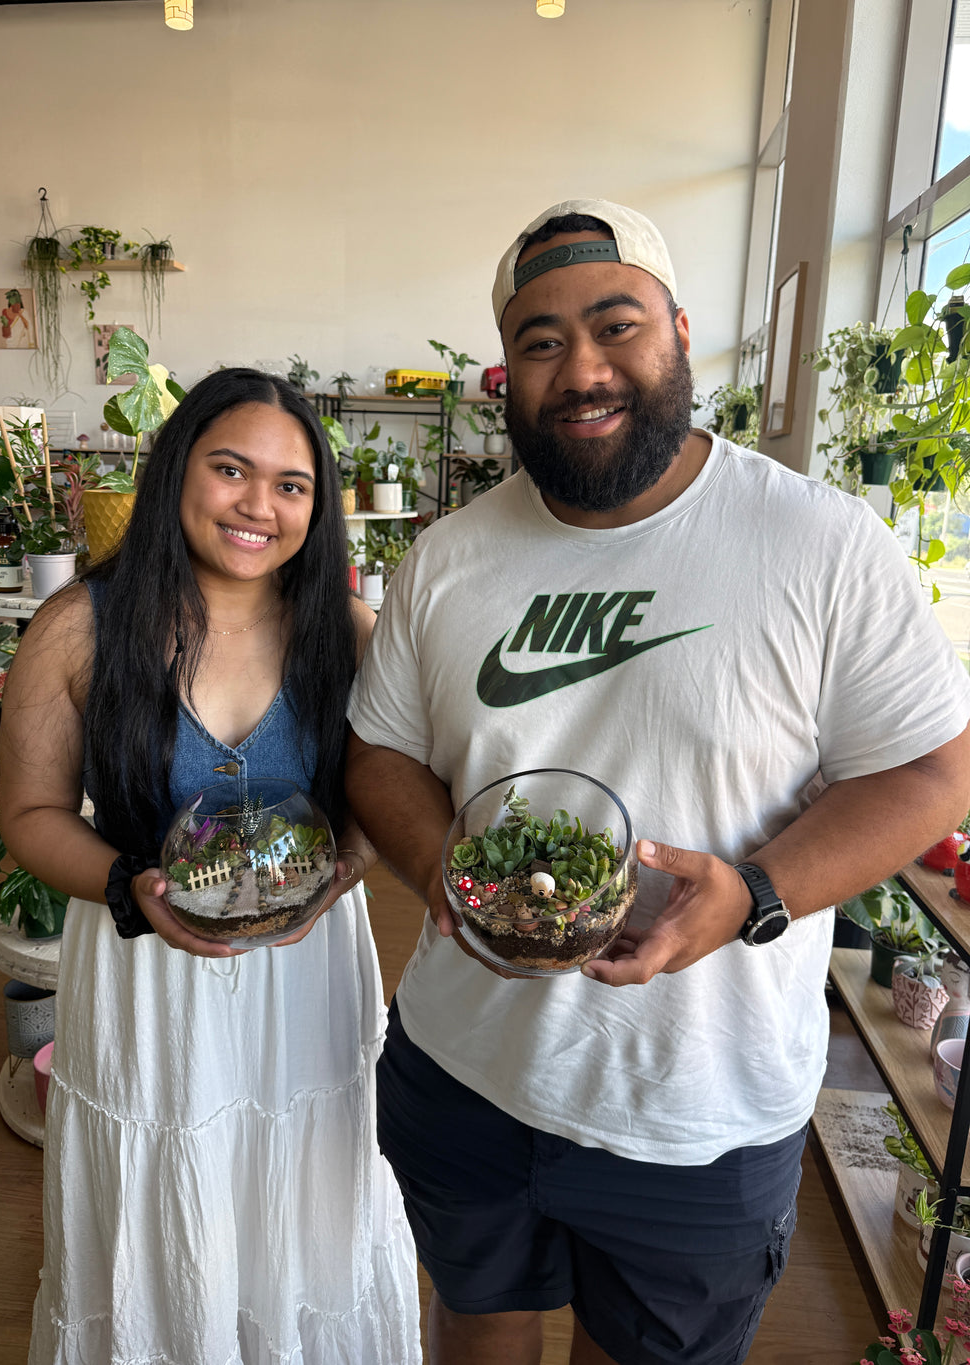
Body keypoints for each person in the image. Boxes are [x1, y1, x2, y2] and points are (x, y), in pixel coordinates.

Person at [345, 198, 970, 1365]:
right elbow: (378, 751)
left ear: (680, 333)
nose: (579, 369)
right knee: (471, 1325)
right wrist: (446, 871)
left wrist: (754, 891)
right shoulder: (448, 555)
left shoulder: (821, 546)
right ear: (504, 375)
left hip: (696, 1111)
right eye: (539, 342)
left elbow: (933, 771)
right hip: (462, 1065)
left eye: (615, 325)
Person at [0, 369, 422, 1365]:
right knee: (164, 1209)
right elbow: (30, 814)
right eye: (231, 469)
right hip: (150, 971)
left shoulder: (348, 636)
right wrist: (124, 884)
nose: (257, 506)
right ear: (176, 466)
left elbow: (383, 799)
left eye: (290, 485)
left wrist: (349, 863)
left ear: (316, 508)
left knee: (304, 1209)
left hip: (305, 972)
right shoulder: (78, 629)